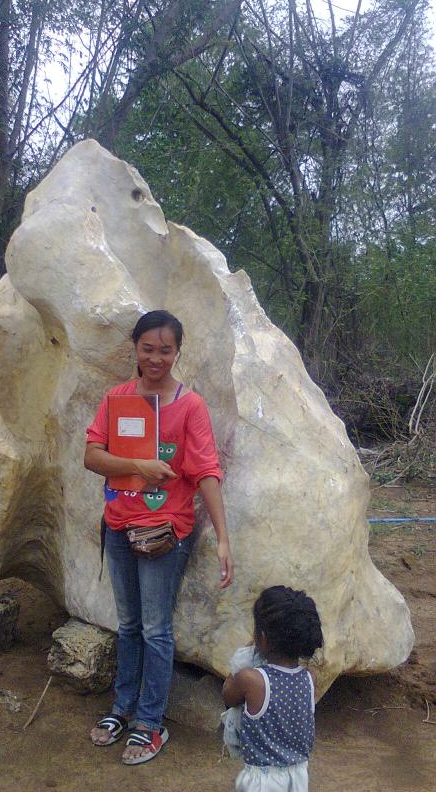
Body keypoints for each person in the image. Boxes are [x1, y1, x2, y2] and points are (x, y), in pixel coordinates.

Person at [85, 309, 234, 765]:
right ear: (135, 347)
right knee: (128, 624)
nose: (156, 358)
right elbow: (92, 455)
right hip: (119, 523)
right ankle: (122, 708)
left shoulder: (190, 406)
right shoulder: (116, 399)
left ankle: (150, 723)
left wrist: (224, 539)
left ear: (177, 352)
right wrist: (138, 467)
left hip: (166, 531)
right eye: (148, 348)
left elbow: (207, 471)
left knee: (155, 628)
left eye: (165, 350)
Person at [222, 586, 323, 792]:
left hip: (260, 782)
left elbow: (228, 696)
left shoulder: (251, 680)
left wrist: (246, 654)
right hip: (298, 777)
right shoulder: (310, 678)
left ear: (262, 639)